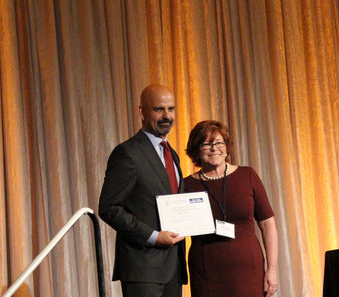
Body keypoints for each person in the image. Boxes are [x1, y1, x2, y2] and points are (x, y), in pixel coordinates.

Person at [98, 84, 188, 297]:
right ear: (142, 112)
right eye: (159, 109)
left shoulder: (172, 154)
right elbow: (109, 208)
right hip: (143, 268)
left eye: (171, 109)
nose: (167, 116)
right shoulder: (127, 153)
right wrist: (153, 236)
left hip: (173, 268)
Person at [184, 120, 278, 297]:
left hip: (248, 272)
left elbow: (268, 225)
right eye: (207, 144)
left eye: (219, 143)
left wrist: (272, 269)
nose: (214, 149)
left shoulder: (247, 175)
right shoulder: (186, 185)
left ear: (227, 147)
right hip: (206, 274)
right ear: (196, 149)